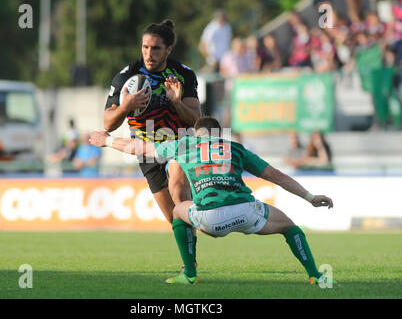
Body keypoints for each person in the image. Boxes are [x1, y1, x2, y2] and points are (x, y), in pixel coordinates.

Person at [89, 117, 335, 286]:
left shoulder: (184, 146)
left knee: (178, 211)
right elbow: (277, 176)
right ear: (219, 134)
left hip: (209, 219)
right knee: (290, 226)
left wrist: (108, 141)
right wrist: (311, 198)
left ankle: (190, 274)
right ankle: (315, 275)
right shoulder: (235, 148)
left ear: (197, 134)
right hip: (246, 212)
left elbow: (140, 148)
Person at [103, 19, 201, 269]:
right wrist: (125, 107)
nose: (149, 54)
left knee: (179, 188)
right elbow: (108, 124)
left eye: (156, 48)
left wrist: (177, 102)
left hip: (178, 145)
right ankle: (193, 252)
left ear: (168, 50)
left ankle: (189, 268)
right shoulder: (127, 77)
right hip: (145, 151)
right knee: (173, 217)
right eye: (145, 47)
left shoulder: (184, 75)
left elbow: (196, 119)